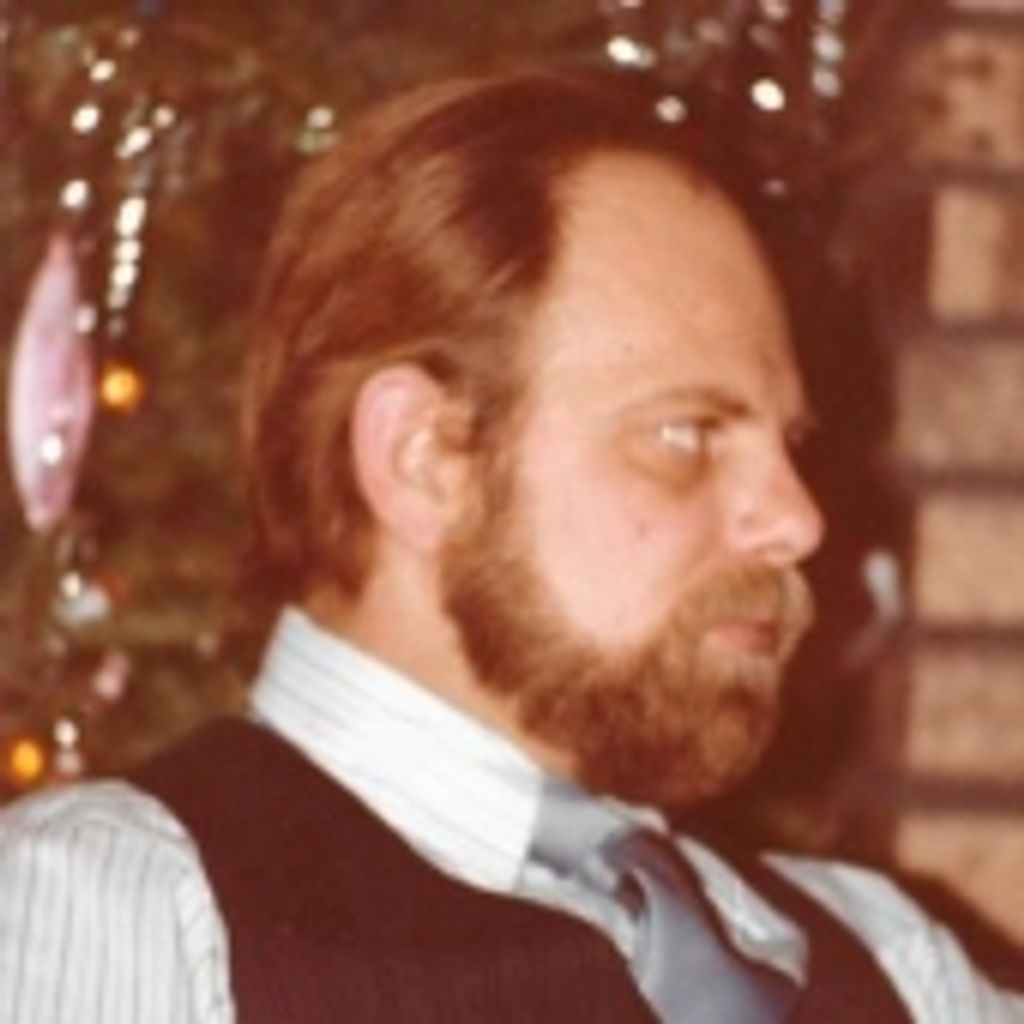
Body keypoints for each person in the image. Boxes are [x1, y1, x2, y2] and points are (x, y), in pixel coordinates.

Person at [1, 70, 1021, 1024]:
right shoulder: (110, 911)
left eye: (786, 445)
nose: (796, 519)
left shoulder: (897, 962)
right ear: (426, 459)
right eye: (684, 436)